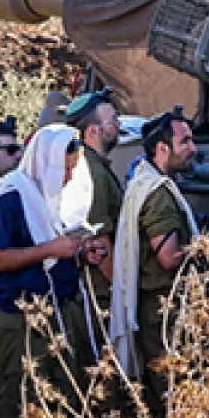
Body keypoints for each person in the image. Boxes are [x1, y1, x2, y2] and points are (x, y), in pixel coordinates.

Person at [0, 124, 105, 418]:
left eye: (72, 171)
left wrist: (81, 253)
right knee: (22, 407)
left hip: (58, 316)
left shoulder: (55, 198)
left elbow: (58, 250)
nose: (68, 178)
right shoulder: (8, 198)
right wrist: (48, 249)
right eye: (64, 170)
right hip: (19, 322)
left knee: (63, 403)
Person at [110, 107, 198, 418]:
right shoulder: (158, 195)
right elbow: (168, 256)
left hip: (159, 307)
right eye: (185, 141)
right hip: (166, 311)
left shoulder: (146, 183)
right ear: (162, 149)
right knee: (173, 393)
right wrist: (203, 247)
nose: (193, 148)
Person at [65, 88, 123, 368]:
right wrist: (120, 290)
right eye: (112, 120)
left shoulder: (94, 167)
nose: (118, 125)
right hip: (100, 290)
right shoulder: (93, 174)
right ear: (92, 131)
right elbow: (100, 238)